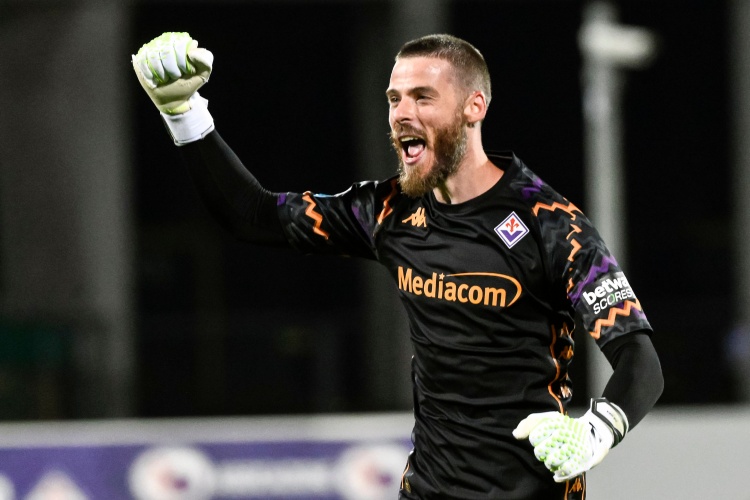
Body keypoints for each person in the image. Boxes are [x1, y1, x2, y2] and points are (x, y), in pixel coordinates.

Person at [132, 31, 663, 499]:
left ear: (474, 107)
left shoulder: (550, 224)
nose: (401, 113)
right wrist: (184, 114)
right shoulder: (389, 210)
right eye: (394, 98)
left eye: (422, 97)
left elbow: (640, 361)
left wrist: (595, 430)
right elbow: (252, 216)